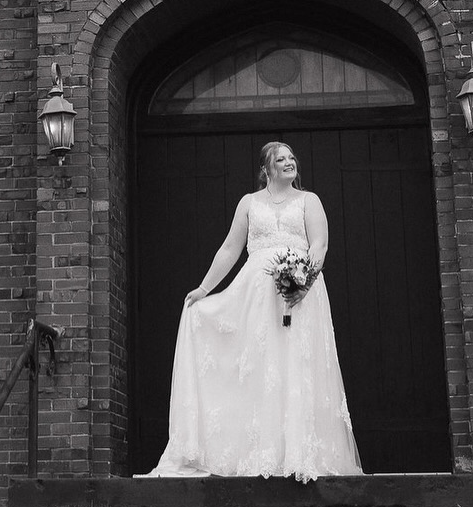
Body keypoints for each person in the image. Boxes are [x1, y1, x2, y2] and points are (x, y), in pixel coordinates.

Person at [146, 141, 362, 479]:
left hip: (300, 293)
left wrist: (305, 280)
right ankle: (262, 451)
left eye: (292, 157)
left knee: (297, 364)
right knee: (262, 367)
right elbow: (230, 249)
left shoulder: (309, 201)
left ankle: (300, 452)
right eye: (281, 159)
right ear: (266, 168)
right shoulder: (249, 203)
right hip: (255, 296)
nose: (289, 162)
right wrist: (204, 288)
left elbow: (319, 243)